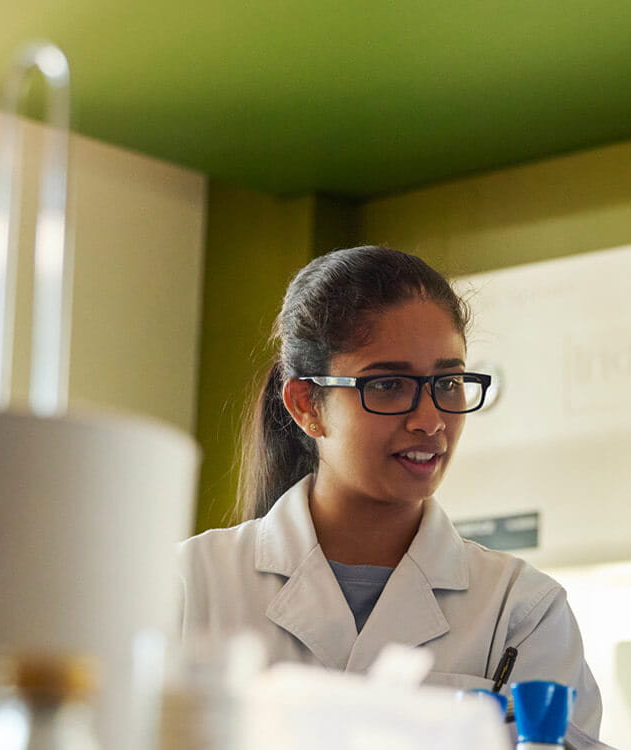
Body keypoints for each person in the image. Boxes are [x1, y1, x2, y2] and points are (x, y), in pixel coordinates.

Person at [179, 245, 609, 749]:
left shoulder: (521, 608)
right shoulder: (191, 584)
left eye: (448, 382)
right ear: (304, 405)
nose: (430, 420)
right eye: (387, 385)